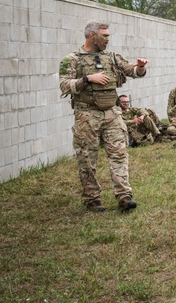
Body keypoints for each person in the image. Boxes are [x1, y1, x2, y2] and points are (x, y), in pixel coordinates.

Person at [59, 20, 148, 212]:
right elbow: (64, 85)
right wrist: (87, 79)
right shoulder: (73, 59)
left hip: (111, 113)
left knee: (119, 154)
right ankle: (92, 199)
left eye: (108, 35)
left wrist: (140, 67)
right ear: (92, 36)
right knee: (87, 158)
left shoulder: (112, 57)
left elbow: (131, 71)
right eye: (104, 35)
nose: (108, 39)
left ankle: (124, 196)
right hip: (87, 115)